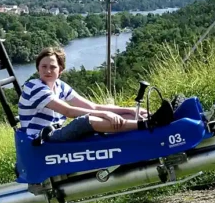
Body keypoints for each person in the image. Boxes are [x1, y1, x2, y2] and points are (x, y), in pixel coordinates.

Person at [18, 46, 148, 142]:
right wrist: (105, 114)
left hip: (54, 131)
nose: (48, 71)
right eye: (44, 66)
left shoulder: (60, 86)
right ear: (38, 68)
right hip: (41, 137)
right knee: (85, 121)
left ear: (61, 70)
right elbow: (69, 111)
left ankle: (148, 120)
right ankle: (146, 125)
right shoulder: (34, 87)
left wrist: (130, 110)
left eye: (53, 67)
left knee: (115, 114)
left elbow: (92, 107)